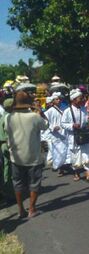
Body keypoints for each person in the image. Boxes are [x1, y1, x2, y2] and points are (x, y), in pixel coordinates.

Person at [5, 83, 49, 218]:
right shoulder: (34, 117)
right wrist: (40, 111)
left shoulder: (8, 117)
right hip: (33, 157)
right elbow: (46, 126)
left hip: (16, 156)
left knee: (17, 184)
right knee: (34, 183)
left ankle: (21, 209)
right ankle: (32, 209)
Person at [61, 89, 89, 181]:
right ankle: (76, 172)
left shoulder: (84, 109)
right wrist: (72, 125)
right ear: (73, 100)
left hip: (84, 135)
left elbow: (86, 119)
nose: (82, 99)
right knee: (75, 155)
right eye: (80, 98)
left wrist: (87, 123)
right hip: (73, 137)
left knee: (86, 154)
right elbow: (63, 124)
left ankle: (88, 173)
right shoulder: (67, 111)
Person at [44, 92, 69, 176]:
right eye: (56, 99)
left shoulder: (64, 108)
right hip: (55, 135)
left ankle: (64, 165)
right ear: (53, 101)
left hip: (65, 133)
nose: (59, 100)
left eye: (59, 99)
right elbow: (45, 122)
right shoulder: (49, 111)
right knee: (57, 152)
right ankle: (60, 168)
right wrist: (52, 127)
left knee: (65, 150)